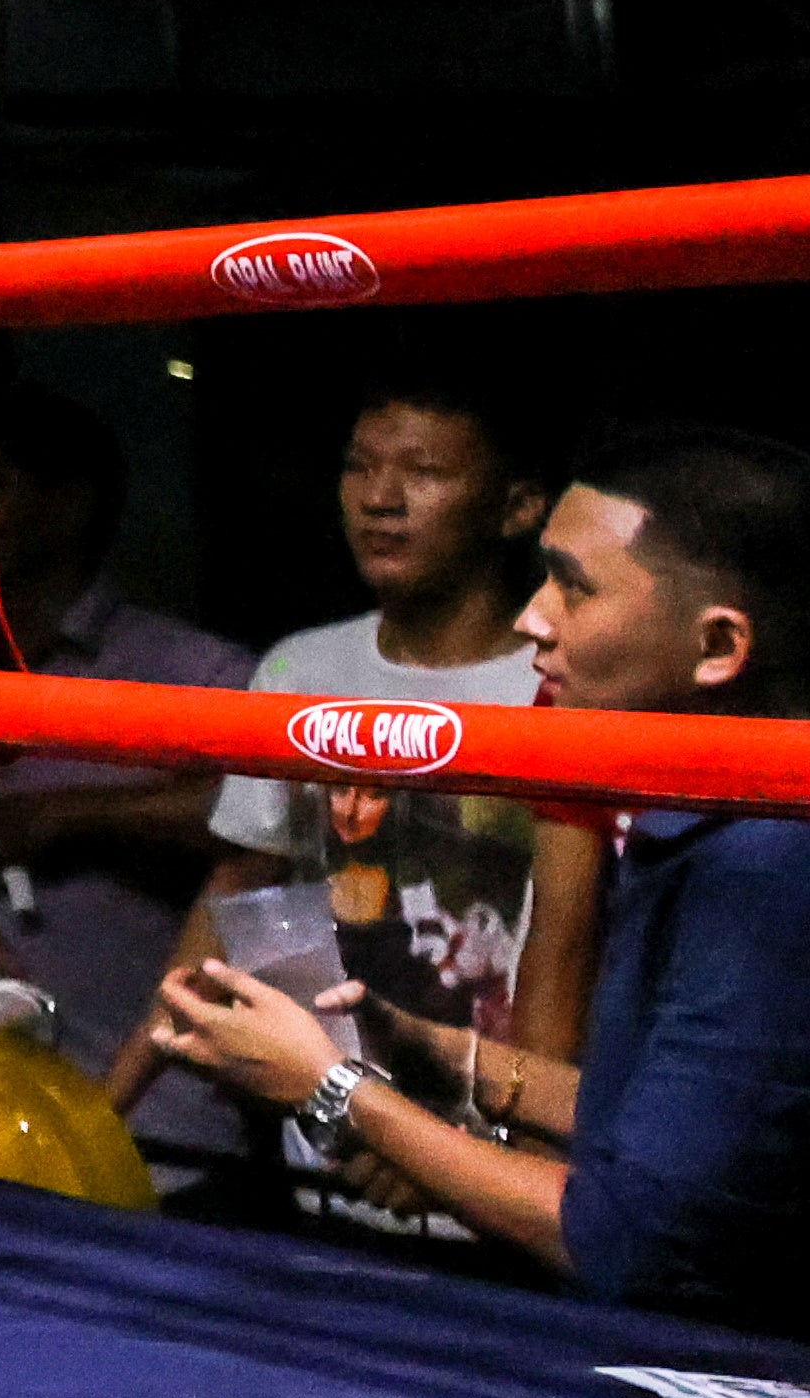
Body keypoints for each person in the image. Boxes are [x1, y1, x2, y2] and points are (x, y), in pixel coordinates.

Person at [146, 428, 810, 1334]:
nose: (534, 618)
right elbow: (661, 1131)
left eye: (573, 586)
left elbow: (626, 1236)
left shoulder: (768, 860)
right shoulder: (716, 823)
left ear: (718, 646)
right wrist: (441, 1053)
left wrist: (332, 1084)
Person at [108, 370, 562, 1227]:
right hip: (333, 1142)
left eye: (423, 471)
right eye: (360, 466)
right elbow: (239, 885)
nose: (380, 499)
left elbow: (589, 953)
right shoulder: (301, 670)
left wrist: (493, 1144)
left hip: (518, 1162)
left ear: (518, 506)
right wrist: (116, 1097)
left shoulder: (556, 682)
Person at [0, 386, 253, 1148]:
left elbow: (270, 814)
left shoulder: (194, 671)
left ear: (68, 504)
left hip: (155, 1128)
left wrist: (64, 816)